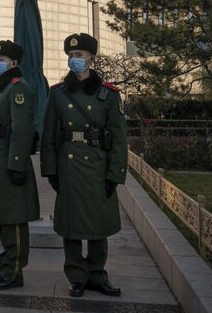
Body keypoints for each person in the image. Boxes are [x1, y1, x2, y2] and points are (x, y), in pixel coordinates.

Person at [40, 33, 128, 298]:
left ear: (92, 58)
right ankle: (77, 276)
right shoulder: (58, 94)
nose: (74, 59)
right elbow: (49, 135)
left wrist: (115, 173)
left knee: (98, 225)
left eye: (79, 55)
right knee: (72, 224)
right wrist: (51, 170)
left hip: (98, 167)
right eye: (71, 55)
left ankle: (98, 275)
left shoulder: (109, 95)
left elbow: (119, 138)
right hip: (69, 166)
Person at [0, 39, 40, 290]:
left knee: (14, 216)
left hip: (9, 160)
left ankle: (13, 271)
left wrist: (17, 164)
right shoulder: (3, 88)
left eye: (2, 60)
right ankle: (5, 263)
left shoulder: (17, 88)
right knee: (3, 214)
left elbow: (22, 130)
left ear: (14, 63)